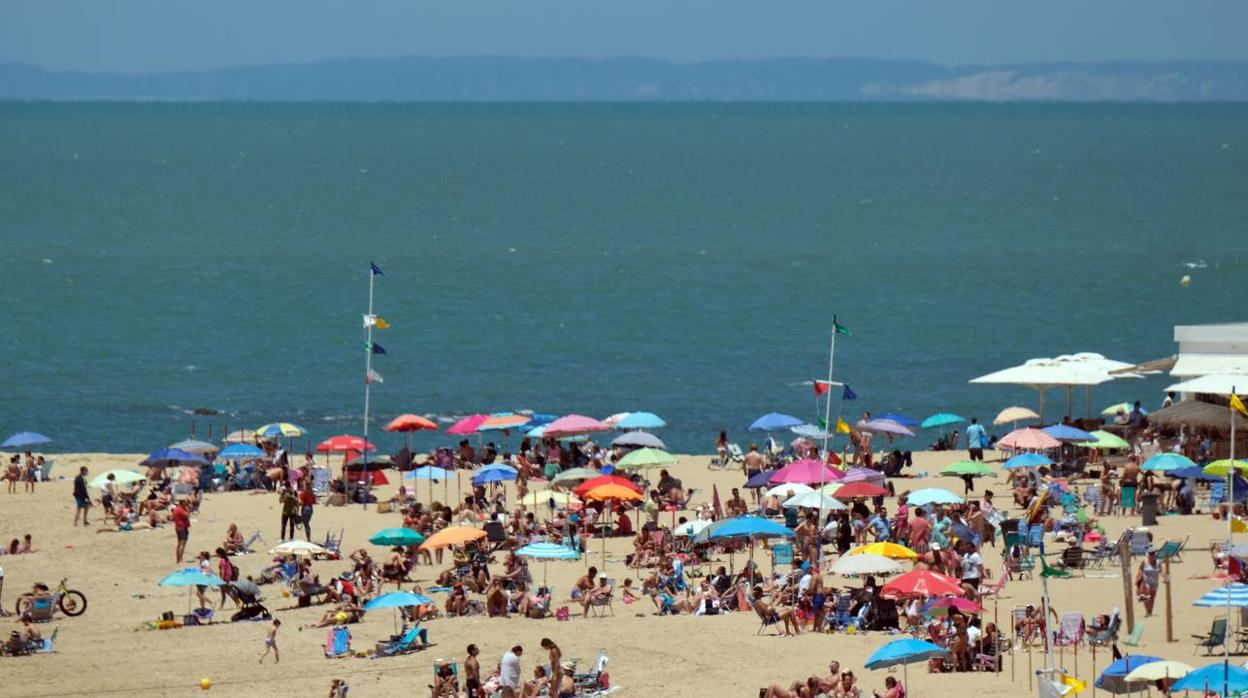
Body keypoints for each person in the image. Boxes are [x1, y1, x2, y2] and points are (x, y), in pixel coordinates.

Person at [1136, 549, 1161, 616]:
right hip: (1146, 581)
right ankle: (1147, 611)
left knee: (1152, 598)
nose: (1152, 556)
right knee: (1147, 596)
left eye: (1153, 554)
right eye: (1150, 554)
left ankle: (1150, 611)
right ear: (1148, 555)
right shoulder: (1144, 562)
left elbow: (1161, 570)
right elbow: (1140, 569)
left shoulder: (1158, 562)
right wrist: (1138, 578)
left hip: (1155, 582)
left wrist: (1165, 577)